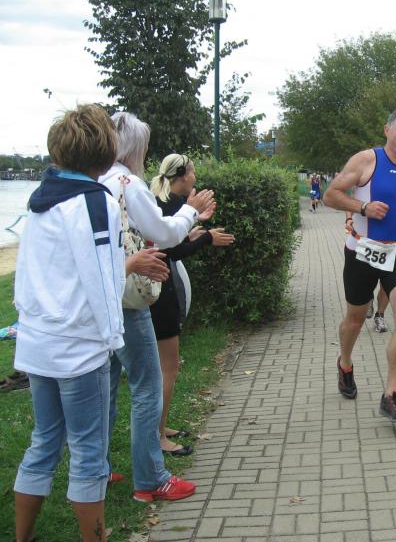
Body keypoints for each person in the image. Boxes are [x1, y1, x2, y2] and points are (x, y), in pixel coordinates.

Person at [13, 104, 167, 542]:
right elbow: (101, 277)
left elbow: (30, 273)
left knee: (45, 440)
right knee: (88, 451)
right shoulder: (95, 202)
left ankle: (23, 536)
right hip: (79, 348)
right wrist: (111, 337)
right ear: (105, 151)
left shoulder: (41, 198)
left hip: (39, 343)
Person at [99, 112, 215, 502]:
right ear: (136, 148)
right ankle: (150, 479)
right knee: (147, 385)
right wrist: (191, 211)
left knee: (107, 385)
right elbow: (163, 233)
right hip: (130, 298)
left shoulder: (96, 182)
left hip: (104, 295)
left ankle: (97, 469)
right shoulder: (128, 184)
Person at [323, 109, 396, 423]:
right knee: (355, 319)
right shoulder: (366, 161)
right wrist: (363, 207)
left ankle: (392, 394)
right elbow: (331, 195)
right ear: (387, 130)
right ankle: (345, 363)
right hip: (363, 250)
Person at [149, 154, 235, 457]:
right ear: (183, 176)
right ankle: (157, 436)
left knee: (163, 367)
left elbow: (171, 242)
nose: (196, 177)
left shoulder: (160, 201)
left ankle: (160, 427)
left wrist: (195, 230)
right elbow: (171, 250)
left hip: (158, 289)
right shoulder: (170, 203)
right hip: (159, 293)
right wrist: (206, 238)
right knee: (168, 367)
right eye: (194, 172)